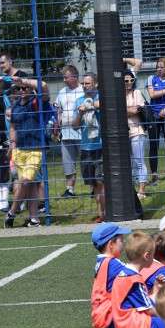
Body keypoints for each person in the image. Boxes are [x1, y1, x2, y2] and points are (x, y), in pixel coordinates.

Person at [4, 77, 52, 228]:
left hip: (35, 150)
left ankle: (12, 212)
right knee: (29, 185)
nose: (22, 91)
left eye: (25, 88)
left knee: (25, 181)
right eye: (19, 88)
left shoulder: (37, 102)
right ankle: (34, 219)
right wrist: (12, 145)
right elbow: (12, 126)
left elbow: (43, 85)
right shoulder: (15, 105)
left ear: (31, 88)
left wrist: (22, 80)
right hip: (19, 150)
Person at [110, 231, 165, 328]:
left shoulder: (124, 273)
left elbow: (144, 302)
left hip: (124, 325)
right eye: (153, 254)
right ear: (146, 256)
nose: (154, 257)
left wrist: (156, 288)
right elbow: (149, 310)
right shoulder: (134, 279)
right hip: (133, 327)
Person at [70, 72, 104, 223]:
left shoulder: (100, 97)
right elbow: (74, 125)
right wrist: (80, 114)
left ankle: (108, 213)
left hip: (101, 146)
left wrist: (90, 106)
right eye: (83, 83)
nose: (84, 86)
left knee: (101, 180)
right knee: (93, 183)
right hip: (86, 147)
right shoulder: (79, 101)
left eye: (88, 83)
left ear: (96, 84)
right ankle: (101, 214)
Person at [90, 222, 133, 328]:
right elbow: (136, 273)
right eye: (121, 240)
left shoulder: (102, 261)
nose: (123, 244)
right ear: (111, 244)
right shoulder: (112, 264)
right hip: (108, 317)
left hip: (100, 316)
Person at [54, 65, 84, 197]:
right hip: (66, 133)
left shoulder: (84, 90)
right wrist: (57, 129)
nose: (64, 80)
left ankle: (94, 186)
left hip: (83, 133)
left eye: (66, 77)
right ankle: (70, 189)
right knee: (68, 162)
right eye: (63, 77)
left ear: (75, 77)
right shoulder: (62, 92)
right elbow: (59, 112)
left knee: (86, 161)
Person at [125, 70, 148, 200]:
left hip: (137, 131)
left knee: (139, 161)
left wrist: (121, 109)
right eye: (126, 81)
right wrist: (129, 110)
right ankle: (131, 189)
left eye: (131, 80)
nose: (129, 83)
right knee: (128, 163)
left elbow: (135, 110)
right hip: (124, 133)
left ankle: (142, 190)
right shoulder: (118, 95)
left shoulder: (136, 93)